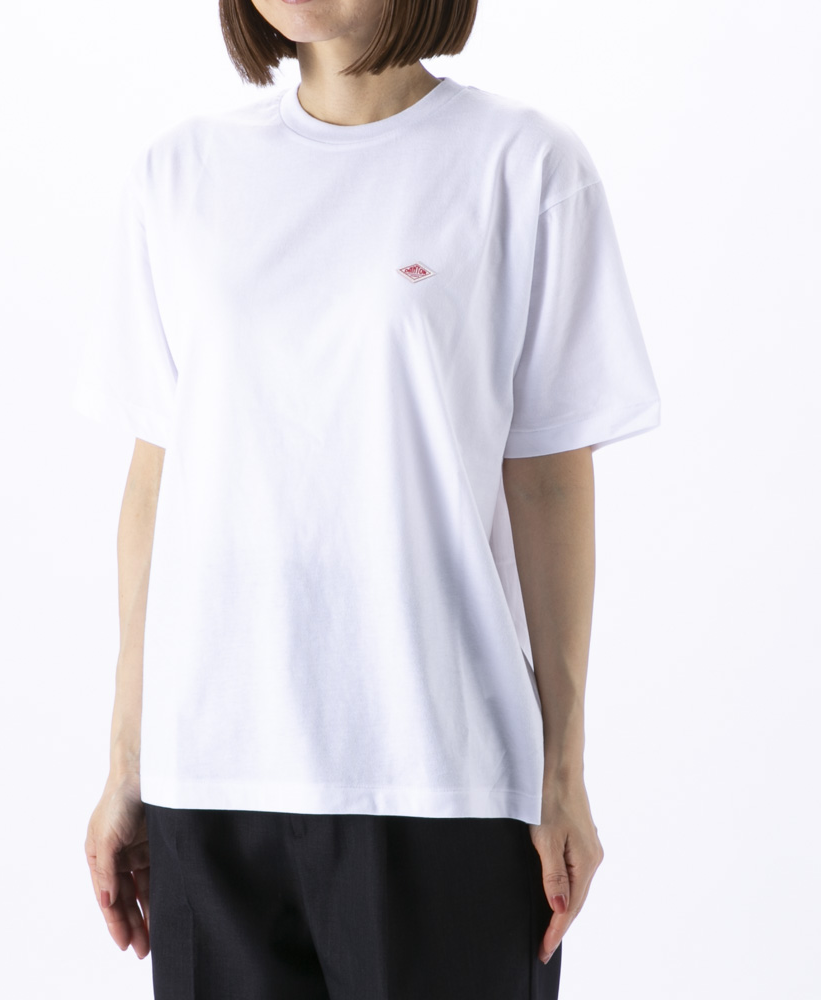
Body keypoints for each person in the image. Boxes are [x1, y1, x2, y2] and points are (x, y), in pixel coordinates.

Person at [77, 0, 661, 997]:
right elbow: (155, 478)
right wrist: (127, 759)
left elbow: (550, 480)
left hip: (442, 775)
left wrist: (562, 770)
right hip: (209, 778)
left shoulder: (524, 168)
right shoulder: (179, 176)